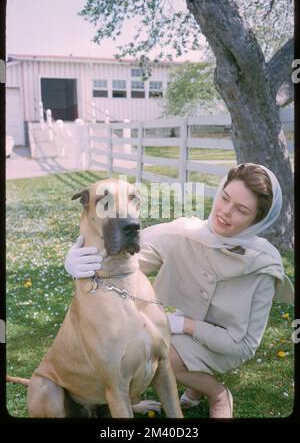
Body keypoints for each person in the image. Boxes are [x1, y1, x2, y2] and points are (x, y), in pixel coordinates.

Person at [64, 163, 294, 418]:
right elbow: (121, 261)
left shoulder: (265, 266)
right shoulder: (185, 233)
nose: (225, 212)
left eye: (241, 210)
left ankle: (218, 393)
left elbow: (245, 346)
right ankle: (194, 386)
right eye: (224, 198)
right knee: (151, 348)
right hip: (185, 336)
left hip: (228, 345)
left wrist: (185, 325)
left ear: (256, 221)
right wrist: (76, 256)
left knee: (165, 359)